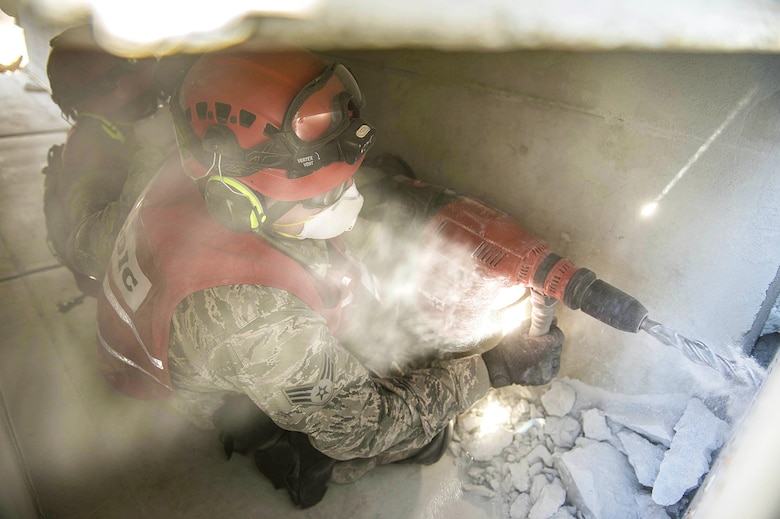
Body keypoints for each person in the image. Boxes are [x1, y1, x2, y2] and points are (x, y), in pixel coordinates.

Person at [94, 49, 565, 508]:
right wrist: (494, 368)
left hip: (222, 338)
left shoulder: (198, 162)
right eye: (328, 194)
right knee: (416, 438)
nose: (351, 200)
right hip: (226, 393)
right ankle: (281, 449)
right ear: (239, 201)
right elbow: (362, 426)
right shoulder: (256, 315)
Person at [42, 24, 177, 297]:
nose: (157, 98)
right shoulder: (89, 150)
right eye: (146, 97)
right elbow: (92, 250)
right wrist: (154, 153)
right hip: (125, 290)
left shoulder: (125, 121)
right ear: (107, 88)